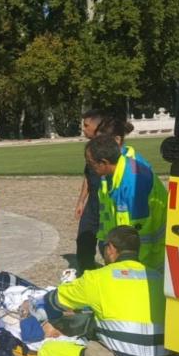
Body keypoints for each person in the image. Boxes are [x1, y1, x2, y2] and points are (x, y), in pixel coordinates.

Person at [34, 226, 173, 356]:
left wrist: (37, 305)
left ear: (110, 249)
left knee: (47, 354)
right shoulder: (159, 279)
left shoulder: (97, 278)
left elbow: (55, 300)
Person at [86, 134, 167, 270]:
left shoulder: (134, 184)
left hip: (151, 255)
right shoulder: (111, 175)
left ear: (104, 162)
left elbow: (141, 236)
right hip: (127, 250)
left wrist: (133, 270)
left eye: (90, 163)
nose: (89, 168)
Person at [74, 111, 133, 271]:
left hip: (107, 206)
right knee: (84, 240)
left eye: (87, 126)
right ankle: (86, 273)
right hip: (94, 203)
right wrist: (81, 201)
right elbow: (87, 176)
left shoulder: (124, 168)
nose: (84, 129)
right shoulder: (93, 153)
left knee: (108, 244)